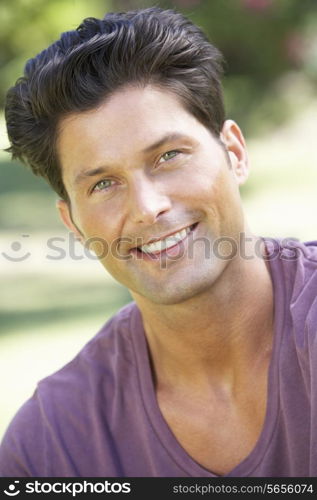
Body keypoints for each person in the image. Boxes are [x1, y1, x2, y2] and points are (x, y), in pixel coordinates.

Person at [0, 6, 316, 478]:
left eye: (169, 155)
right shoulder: (54, 445)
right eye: (102, 184)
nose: (148, 207)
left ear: (234, 154)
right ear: (73, 224)